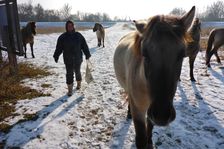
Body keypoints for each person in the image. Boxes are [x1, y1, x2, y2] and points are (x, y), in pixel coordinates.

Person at [53, 20, 91, 96]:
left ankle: (79, 84)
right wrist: (56, 55)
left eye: (71, 26)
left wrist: (87, 54)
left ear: (73, 26)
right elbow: (59, 48)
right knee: (69, 74)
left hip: (78, 58)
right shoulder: (62, 37)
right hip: (68, 59)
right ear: (66, 27)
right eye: (68, 26)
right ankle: (70, 89)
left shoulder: (78, 36)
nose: (70, 27)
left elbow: (84, 46)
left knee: (77, 72)